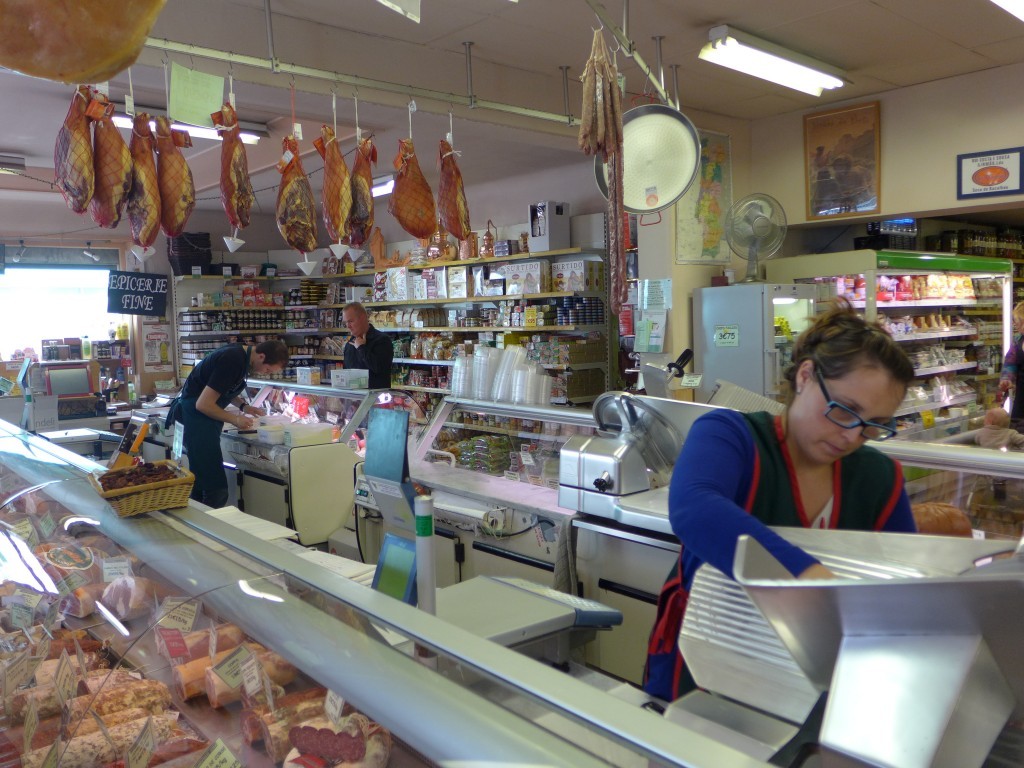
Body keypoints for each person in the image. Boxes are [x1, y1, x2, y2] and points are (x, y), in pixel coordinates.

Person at [643, 300, 918, 702]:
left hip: (817, 680)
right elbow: (694, 508)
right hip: (702, 671)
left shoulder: (878, 478)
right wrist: (807, 575)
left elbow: (903, 586)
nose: (851, 437)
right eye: (845, 411)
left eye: (873, 426)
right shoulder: (731, 435)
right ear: (806, 376)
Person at [167, 340, 289, 507]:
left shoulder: (239, 355)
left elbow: (221, 387)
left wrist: (244, 406)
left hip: (201, 420)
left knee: (201, 483)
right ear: (261, 356)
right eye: (267, 369)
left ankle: (195, 525)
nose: (264, 373)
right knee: (216, 490)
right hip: (196, 419)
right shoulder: (233, 360)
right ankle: (206, 529)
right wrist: (236, 419)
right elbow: (203, 404)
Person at [342, 301, 393, 389]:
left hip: (376, 399)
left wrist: (361, 348)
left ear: (362, 318)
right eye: (345, 323)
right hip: (354, 399)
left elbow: (379, 369)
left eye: (350, 321)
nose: (348, 326)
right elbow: (346, 373)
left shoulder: (382, 340)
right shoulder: (349, 344)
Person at [998, 301, 1024, 428]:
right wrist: (1007, 379)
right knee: (1017, 429)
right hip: (1021, 397)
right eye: (1018, 322)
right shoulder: (1018, 340)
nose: (1019, 326)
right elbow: (1010, 363)